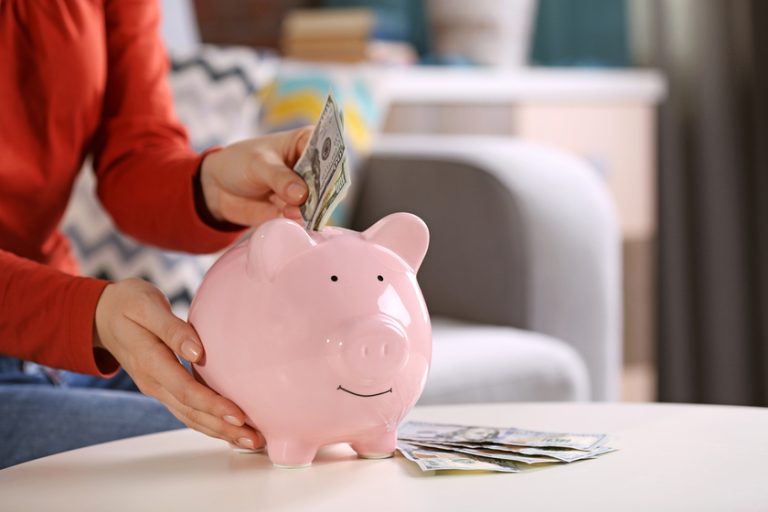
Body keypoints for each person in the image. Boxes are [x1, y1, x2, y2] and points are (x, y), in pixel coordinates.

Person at [0, 0, 310, 468]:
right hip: (61, 324)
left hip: (63, 345)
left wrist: (210, 182)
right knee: (238, 458)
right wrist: (87, 315)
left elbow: (134, 151)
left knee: (295, 413)